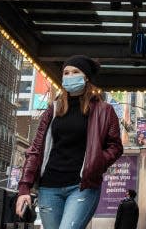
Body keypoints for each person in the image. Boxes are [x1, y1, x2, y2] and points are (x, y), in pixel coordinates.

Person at [16, 55, 123, 229]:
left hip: (82, 186)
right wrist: (24, 189)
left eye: (75, 72)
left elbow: (115, 147)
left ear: (86, 77)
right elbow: (36, 149)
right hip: (49, 187)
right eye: (66, 72)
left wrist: (96, 162)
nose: (69, 76)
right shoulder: (53, 109)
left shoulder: (104, 110)